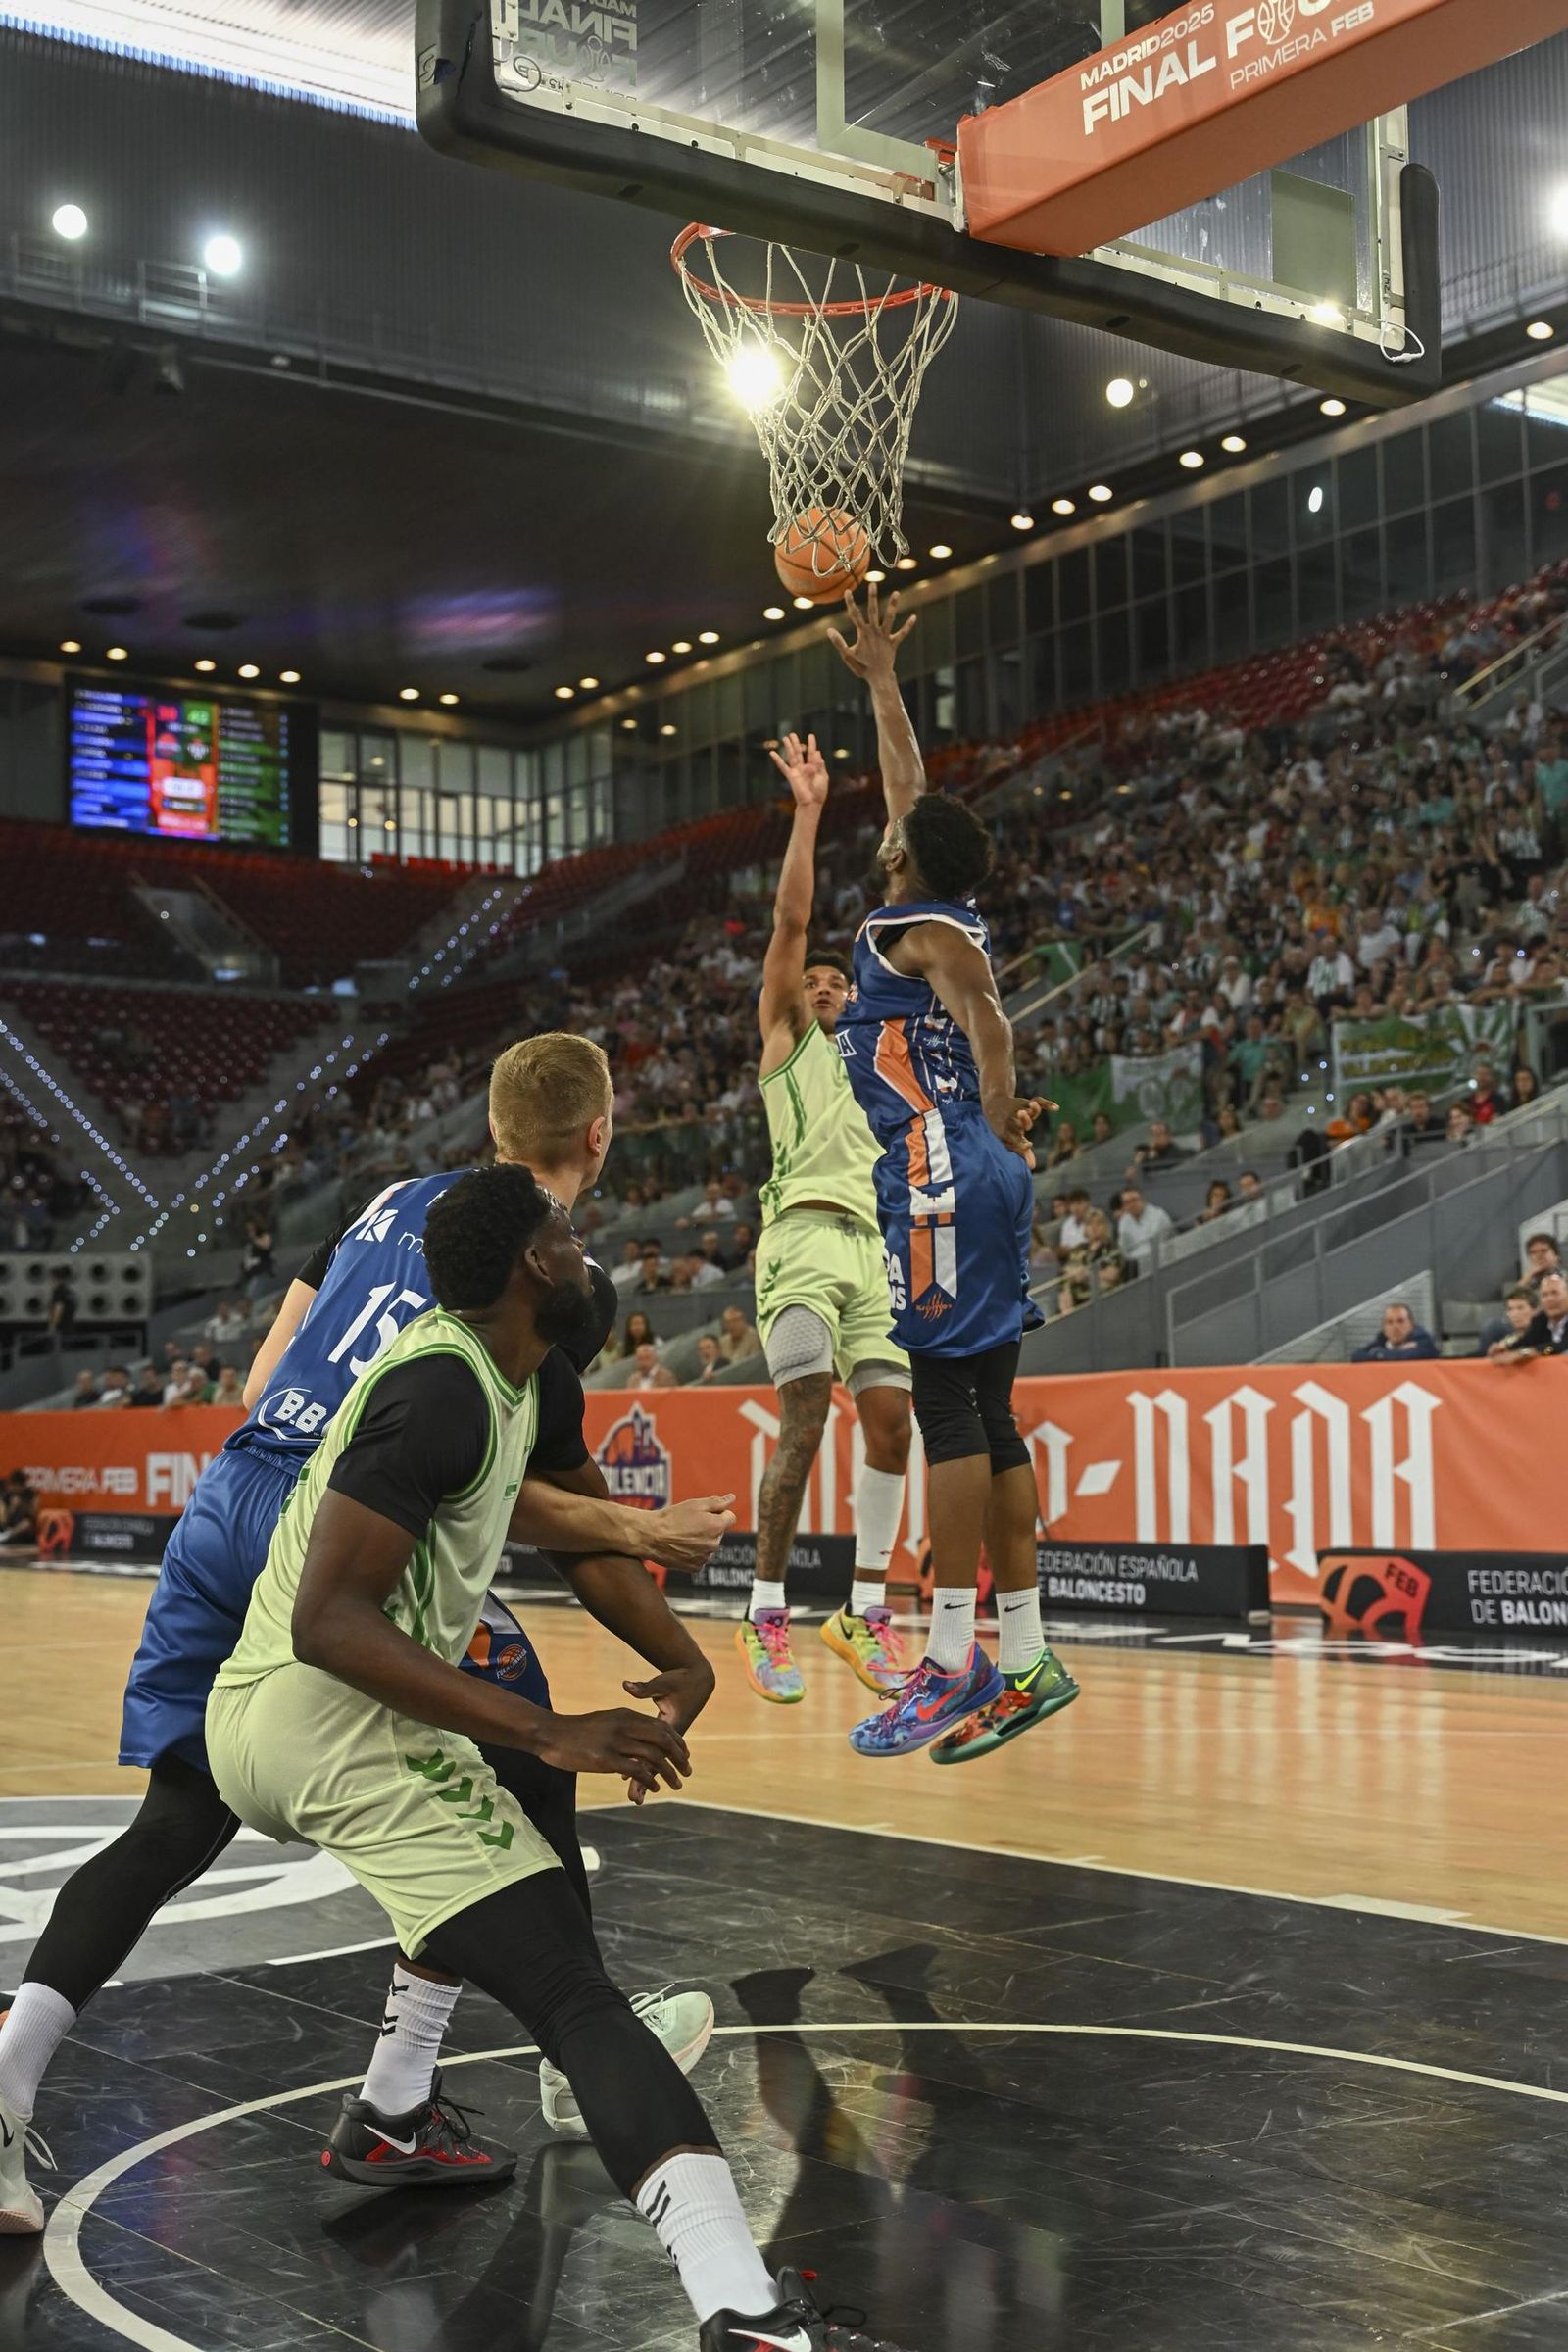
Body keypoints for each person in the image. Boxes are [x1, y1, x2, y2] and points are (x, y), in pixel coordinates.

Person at [0, 1036, 732, 2232]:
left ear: (491, 1124)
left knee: (179, 1819)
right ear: (601, 1135)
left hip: (230, 1498)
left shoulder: (391, 1201)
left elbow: (262, 1384)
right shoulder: (547, 1277)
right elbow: (470, 1468)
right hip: (323, 1531)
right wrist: (635, 1531)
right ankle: (536, 2051)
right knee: (525, 1757)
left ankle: (9, 2083)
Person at [204, 1165, 851, 2352]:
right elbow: (327, 1621)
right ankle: (743, 2313)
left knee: (524, 1848)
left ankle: (392, 2110)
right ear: (529, 1267)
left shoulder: (524, 1374)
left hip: (347, 1716)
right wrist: (549, 1727)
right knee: (573, 1989)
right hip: (317, 1718)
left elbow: (573, 1536)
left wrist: (681, 1656)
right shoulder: (437, 1387)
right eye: (564, 1229)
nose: (584, 1242)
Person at [829, 583, 1078, 1763]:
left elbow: (989, 1016)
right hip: (970, 1168)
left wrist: (998, 1109)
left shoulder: (919, 933)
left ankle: (945, 1658)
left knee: (944, 1412)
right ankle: (1025, 1657)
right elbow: (910, 790)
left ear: (900, 858)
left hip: (940, 1167)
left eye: (895, 830)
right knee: (989, 1411)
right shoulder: (938, 906)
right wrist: (884, 682)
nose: (888, 826)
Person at [739, 728, 912, 1706]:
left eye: (835, 984)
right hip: (800, 1238)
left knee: (892, 1425)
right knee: (804, 1418)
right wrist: (809, 813)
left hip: (870, 1250)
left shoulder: (874, 1064)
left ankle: (863, 1611)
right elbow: (792, 921)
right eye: (812, 982)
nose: (822, 987)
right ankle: (765, 1611)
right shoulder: (787, 1040)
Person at [1494, 1268, 1568, 1359]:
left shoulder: (1552, 1346)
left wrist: (1530, 1352)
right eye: (1545, 1295)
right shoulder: (1540, 1321)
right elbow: (1526, 1343)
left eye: (1555, 1293)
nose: (1550, 1299)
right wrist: (1505, 1349)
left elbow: (1560, 1346)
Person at [1350, 1302, 1440, 1362]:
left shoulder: (1424, 1340)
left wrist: (1379, 1354)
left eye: (1401, 1321)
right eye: (1390, 1322)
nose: (1395, 1327)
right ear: (1384, 1328)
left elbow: (1403, 1357)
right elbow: (1356, 1356)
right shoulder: (1380, 1341)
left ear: (1411, 1325)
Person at [1116, 1182, 1175, 1268]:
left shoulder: (1158, 1216)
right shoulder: (1124, 1221)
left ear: (1142, 1199)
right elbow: (1124, 1250)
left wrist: (1134, 1259)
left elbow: (1155, 1249)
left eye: (1134, 1200)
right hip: (1136, 1266)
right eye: (1126, 1202)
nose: (1131, 1205)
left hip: (1164, 1263)